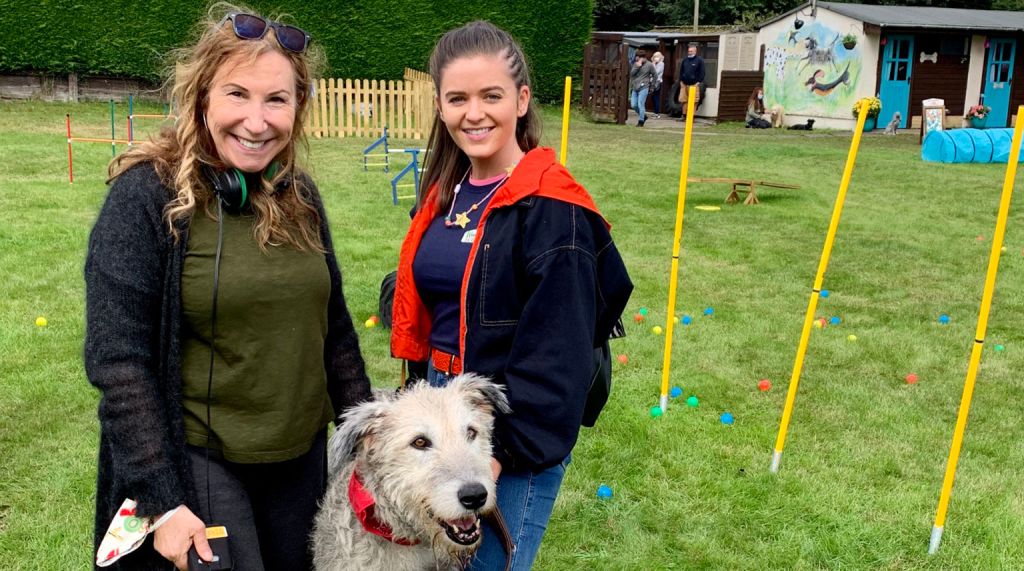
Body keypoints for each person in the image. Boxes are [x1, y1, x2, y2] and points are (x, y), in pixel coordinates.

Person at [84, 5, 372, 570]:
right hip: (203, 459)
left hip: (301, 459)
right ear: (201, 98)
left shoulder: (300, 197)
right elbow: (118, 360)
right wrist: (163, 504)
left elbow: (332, 328)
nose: (257, 120)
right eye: (237, 94)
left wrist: (369, 435)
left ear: (299, 107)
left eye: (277, 100)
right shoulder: (146, 198)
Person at [390, 20, 632, 571]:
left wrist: (493, 459)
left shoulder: (553, 210)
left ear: (521, 100)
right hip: (439, 420)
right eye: (458, 99)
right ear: (440, 106)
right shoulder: (445, 197)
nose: (474, 113)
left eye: (491, 96)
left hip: (507, 438)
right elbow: (438, 292)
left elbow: (558, 358)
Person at [629, 49, 658, 126]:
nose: (636, 58)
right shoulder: (636, 64)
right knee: (633, 105)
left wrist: (652, 85)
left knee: (641, 104)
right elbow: (631, 74)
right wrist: (637, 67)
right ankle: (644, 116)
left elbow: (655, 75)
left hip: (644, 87)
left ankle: (641, 121)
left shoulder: (649, 65)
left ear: (641, 57)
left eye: (637, 57)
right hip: (635, 87)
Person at [677, 43, 705, 117]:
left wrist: (698, 82)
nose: (689, 53)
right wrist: (681, 81)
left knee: (694, 101)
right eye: (689, 51)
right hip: (684, 84)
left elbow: (702, 72)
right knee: (683, 100)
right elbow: (681, 71)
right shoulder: (685, 60)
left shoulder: (699, 60)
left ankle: (691, 116)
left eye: (691, 51)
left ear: (695, 51)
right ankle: (684, 115)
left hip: (694, 85)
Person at [650, 51, 665, 117]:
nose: (655, 58)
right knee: (653, 97)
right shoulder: (653, 63)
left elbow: (656, 72)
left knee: (656, 97)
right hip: (651, 81)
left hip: (657, 82)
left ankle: (657, 113)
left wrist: (653, 64)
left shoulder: (661, 63)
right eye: (654, 56)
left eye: (657, 56)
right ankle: (655, 112)